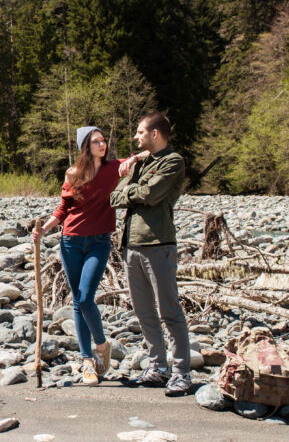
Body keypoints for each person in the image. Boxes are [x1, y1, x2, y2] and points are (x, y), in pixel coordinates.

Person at [33, 126, 145, 385]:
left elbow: (139, 158)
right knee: (77, 301)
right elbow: (64, 209)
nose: (102, 145)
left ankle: (102, 345)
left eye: (104, 141)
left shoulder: (114, 169)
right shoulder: (73, 173)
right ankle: (87, 363)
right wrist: (44, 230)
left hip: (99, 241)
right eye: (96, 141)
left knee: (85, 298)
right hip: (70, 241)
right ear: (85, 146)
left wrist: (137, 158)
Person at [109, 112, 190, 397]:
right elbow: (114, 197)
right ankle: (159, 367)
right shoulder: (139, 164)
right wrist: (135, 188)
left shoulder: (173, 161)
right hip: (131, 245)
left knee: (170, 311)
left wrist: (134, 189)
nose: (136, 137)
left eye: (140, 132)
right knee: (144, 312)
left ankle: (181, 372)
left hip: (158, 244)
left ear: (155, 134)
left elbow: (152, 194)